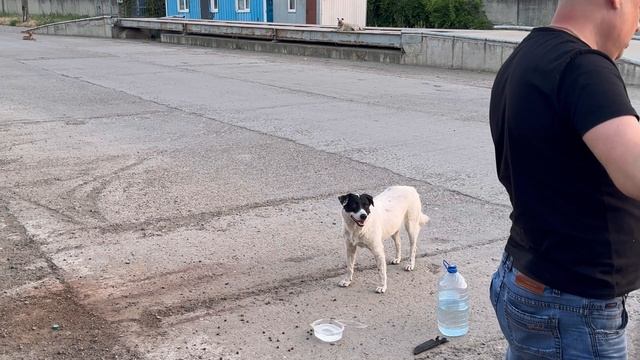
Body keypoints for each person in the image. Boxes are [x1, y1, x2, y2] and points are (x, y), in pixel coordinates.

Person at [489, 0, 640, 358]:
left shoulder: (526, 56)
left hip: (533, 280)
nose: (635, 29)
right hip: (570, 306)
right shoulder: (582, 67)